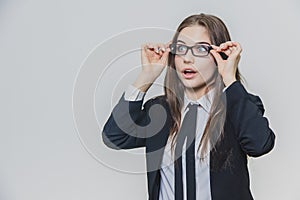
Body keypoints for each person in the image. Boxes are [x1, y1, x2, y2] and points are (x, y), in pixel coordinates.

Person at [102, 13, 275, 200]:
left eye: (201, 49)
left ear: (220, 55)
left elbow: (260, 145)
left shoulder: (238, 105)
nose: (187, 58)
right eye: (181, 48)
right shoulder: (161, 111)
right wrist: (147, 76)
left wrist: (230, 80)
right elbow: (114, 137)